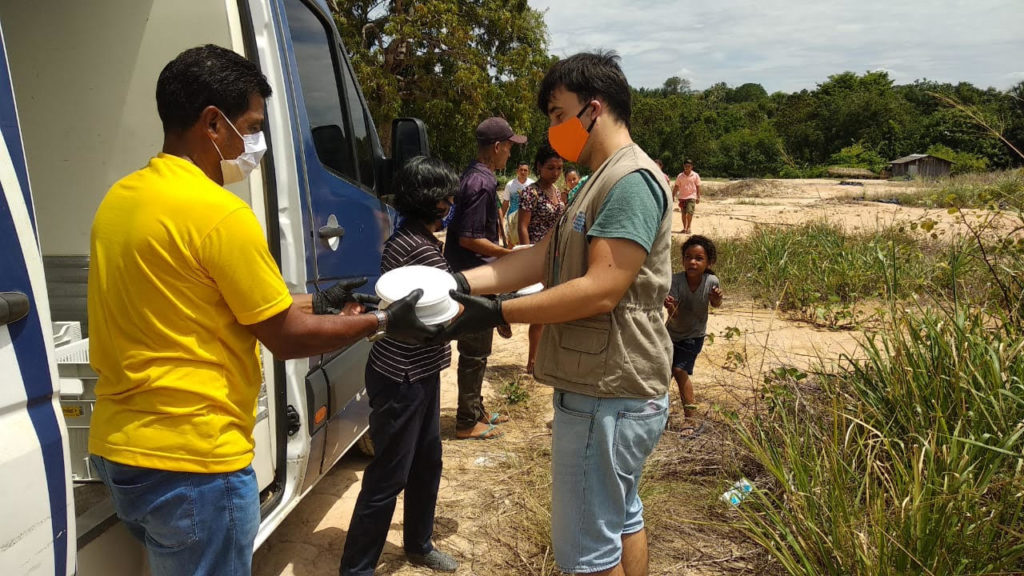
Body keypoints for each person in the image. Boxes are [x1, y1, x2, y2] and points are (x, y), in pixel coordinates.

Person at [86, 45, 436, 576]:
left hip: (124, 454)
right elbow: (287, 337)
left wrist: (320, 301)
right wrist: (383, 321)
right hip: (195, 463)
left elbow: (205, 302)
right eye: (250, 126)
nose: (256, 144)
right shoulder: (219, 213)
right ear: (212, 124)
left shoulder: (122, 199)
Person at [440, 51, 673, 576]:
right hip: (610, 387)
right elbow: (538, 258)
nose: (552, 129)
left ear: (593, 109)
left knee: (587, 549)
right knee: (620, 518)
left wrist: (495, 312)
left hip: (606, 389)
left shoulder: (629, 181)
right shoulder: (594, 182)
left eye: (556, 113)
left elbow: (600, 290)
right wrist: (454, 284)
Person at [339, 157, 461, 576]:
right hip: (402, 376)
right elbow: (448, 310)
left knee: (428, 461)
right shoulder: (416, 248)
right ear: (430, 200)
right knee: (389, 475)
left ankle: (418, 544)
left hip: (420, 370)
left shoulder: (416, 239)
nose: (451, 203)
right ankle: (357, 569)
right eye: (446, 196)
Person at [443, 116, 525, 440]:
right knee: (474, 351)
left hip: (471, 273)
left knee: (480, 348)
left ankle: (476, 409)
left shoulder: (474, 176)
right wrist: (511, 256)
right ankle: (466, 421)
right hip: (474, 277)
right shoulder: (483, 183)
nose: (510, 154)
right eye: (508, 147)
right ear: (496, 147)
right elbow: (468, 238)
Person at [663, 235, 722, 424]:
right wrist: (670, 306)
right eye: (688, 257)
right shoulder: (676, 281)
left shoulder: (711, 281)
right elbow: (675, 315)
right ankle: (657, 415)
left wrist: (717, 297)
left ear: (709, 262)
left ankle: (690, 420)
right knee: (663, 373)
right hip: (671, 334)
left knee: (680, 371)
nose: (692, 262)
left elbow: (716, 304)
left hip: (693, 336)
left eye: (698, 258)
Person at [517, 144, 565, 374]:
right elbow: (522, 226)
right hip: (539, 255)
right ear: (539, 167)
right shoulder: (530, 193)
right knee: (540, 311)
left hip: (558, 254)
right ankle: (533, 361)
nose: (555, 173)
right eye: (550, 168)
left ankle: (548, 357)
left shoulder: (557, 192)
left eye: (559, 168)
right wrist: (529, 255)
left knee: (555, 308)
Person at [500, 160, 533, 246]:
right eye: (521, 169)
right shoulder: (510, 185)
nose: (523, 172)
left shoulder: (532, 184)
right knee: (512, 243)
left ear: (528, 172)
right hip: (512, 218)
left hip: (527, 218)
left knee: (525, 243)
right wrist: (500, 221)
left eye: (525, 170)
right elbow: (505, 203)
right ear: (517, 171)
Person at [673, 159, 701, 234]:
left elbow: (698, 186)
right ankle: (684, 228)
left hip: (692, 196)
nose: (687, 167)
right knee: (683, 214)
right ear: (683, 166)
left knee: (690, 212)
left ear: (692, 167)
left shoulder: (695, 175)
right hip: (682, 197)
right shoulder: (680, 176)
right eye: (685, 166)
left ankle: (689, 227)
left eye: (688, 166)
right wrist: (672, 195)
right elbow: (676, 186)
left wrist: (698, 197)